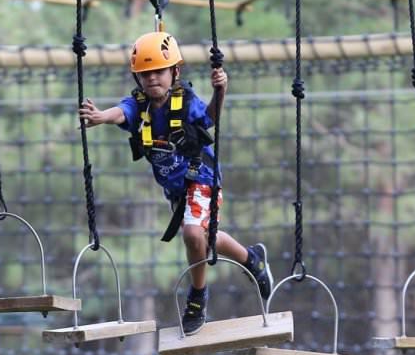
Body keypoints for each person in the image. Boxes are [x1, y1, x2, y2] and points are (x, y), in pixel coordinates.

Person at [79, 31, 273, 335]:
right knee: (203, 238)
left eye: (159, 71)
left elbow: (209, 119)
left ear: (175, 72)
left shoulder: (186, 103)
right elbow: (120, 113)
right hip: (177, 190)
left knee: (193, 233)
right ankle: (252, 260)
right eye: (145, 74)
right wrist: (101, 116)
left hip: (202, 177)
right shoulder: (138, 106)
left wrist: (220, 91)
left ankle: (198, 297)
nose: (152, 78)